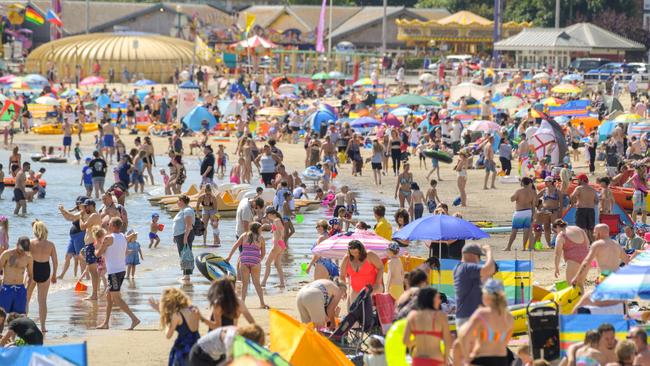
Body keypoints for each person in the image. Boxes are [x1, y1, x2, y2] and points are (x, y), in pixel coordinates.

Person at [455, 279, 514, 366]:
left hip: (482, 358)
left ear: (487, 295)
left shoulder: (482, 313)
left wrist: (467, 357)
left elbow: (464, 336)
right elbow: (505, 341)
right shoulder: (509, 317)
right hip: (502, 359)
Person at [572, 224, 630, 311]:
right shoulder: (616, 244)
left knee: (587, 300)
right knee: (621, 302)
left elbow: (586, 262)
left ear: (599, 233)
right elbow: (627, 261)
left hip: (605, 276)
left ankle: (571, 320)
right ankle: (625, 319)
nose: (594, 235)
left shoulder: (597, 244)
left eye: (595, 233)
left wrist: (577, 277)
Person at [96, 217, 140, 330]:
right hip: (120, 270)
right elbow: (124, 253)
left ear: (113, 226)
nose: (107, 225)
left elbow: (98, 254)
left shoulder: (108, 238)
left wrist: (98, 247)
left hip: (114, 272)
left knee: (116, 298)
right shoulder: (123, 237)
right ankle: (106, 323)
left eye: (109, 224)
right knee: (109, 296)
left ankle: (134, 319)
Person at [148, 287, 200, 366]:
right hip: (197, 345)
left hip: (183, 348)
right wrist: (160, 311)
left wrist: (163, 316)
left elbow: (168, 335)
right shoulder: (193, 309)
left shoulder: (177, 315)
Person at [403, 287, 453, 366]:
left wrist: (419, 339)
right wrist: (446, 359)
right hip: (436, 360)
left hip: (418, 360)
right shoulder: (440, 316)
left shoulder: (412, 315)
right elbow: (448, 341)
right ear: (431, 299)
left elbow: (405, 341)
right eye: (437, 298)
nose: (440, 301)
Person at [226, 222, 268, 309]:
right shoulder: (261, 238)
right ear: (257, 229)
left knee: (244, 284)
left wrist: (229, 257)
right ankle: (262, 303)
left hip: (244, 260)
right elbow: (263, 253)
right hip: (255, 262)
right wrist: (258, 260)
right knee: (257, 283)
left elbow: (235, 246)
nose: (261, 230)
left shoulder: (244, 235)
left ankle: (243, 304)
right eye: (260, 229)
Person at [453, 243, 495, 328]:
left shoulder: (459, 267)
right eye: (479, 256)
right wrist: (489, 252)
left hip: (466, 316)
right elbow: (490, 269)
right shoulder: (467, 267)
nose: (479, 260)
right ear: (472, 255)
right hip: (469, 317)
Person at [26, 221, 57, 332]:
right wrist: (54, 275)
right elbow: (55, 262)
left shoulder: (30, 242)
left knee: (26, 299)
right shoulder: (50, 244)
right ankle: (43, 327)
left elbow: (25, 259)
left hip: (33, 270)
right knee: (42, 301)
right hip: (45, 270)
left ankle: (24, 323)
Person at [188, 324, 265, 366]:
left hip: (215, 356)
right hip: (199, 355)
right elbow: (230, 362)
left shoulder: (240, 335)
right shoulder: (231, 337)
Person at [0, 237, 32, 314]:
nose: (23, 252)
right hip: (6, 289)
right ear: (17, 245)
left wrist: (26, 290)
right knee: (2, 316)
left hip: (20, 290)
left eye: (25, 250)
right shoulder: (6, 254)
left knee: (19, 317)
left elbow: (31, 275)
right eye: (21, 250)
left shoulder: (28, 258)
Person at [552, 219, 589, 284]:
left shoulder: (561, 235)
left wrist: (556, 267)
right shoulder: (578, 228)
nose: (556, 233)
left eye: (555, 231)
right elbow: (587, 243)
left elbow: (557, 254)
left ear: (557, 227)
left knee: (571, 285)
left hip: (572, 260)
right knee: (580, 285)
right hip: (585, 259)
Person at [505, 177, 537, 251]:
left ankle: (508, 247)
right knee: (526, 231)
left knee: (514, 231)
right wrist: (533, 215)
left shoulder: (519, 191)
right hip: (528, 212)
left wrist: (513, 196)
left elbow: (512, 199)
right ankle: (523, 248)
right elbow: (533, 205)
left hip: (519, 212)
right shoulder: (533, 192)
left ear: (522, 183)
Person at [172, 195, 196, 282]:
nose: (177, 202)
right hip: (180, 235)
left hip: (185, 235)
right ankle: (185, 274)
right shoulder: (183, 210)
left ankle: (187, 275)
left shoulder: (187, 210)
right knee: (182, 255)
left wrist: (185, 237)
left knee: (185, 254)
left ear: (182, 201)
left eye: (178, 201)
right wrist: (175, 236)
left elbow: (188, 225)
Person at [261, 207, 286, 288]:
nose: (267, 217)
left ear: (272, 214)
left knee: (267, 263)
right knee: (277, 264)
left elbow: (278, 233)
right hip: (281, 244)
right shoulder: (278, 220)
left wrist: (274, 246)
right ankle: (282, 283)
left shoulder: (276, 220)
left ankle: (263, 282)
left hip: (277, 244)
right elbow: (281, 233)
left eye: (268, 215)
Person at [571, 173, 599, 242]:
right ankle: (592, 243)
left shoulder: (579, 188)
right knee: (590, 229)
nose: (577, 182)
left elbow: (573, 196)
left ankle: (584, 243)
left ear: (582, 180)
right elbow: (597, 201)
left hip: (581, 209)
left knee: (581, 228)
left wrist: (572, 204)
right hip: (591, 210)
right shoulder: (593, 189)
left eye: (578, 180)